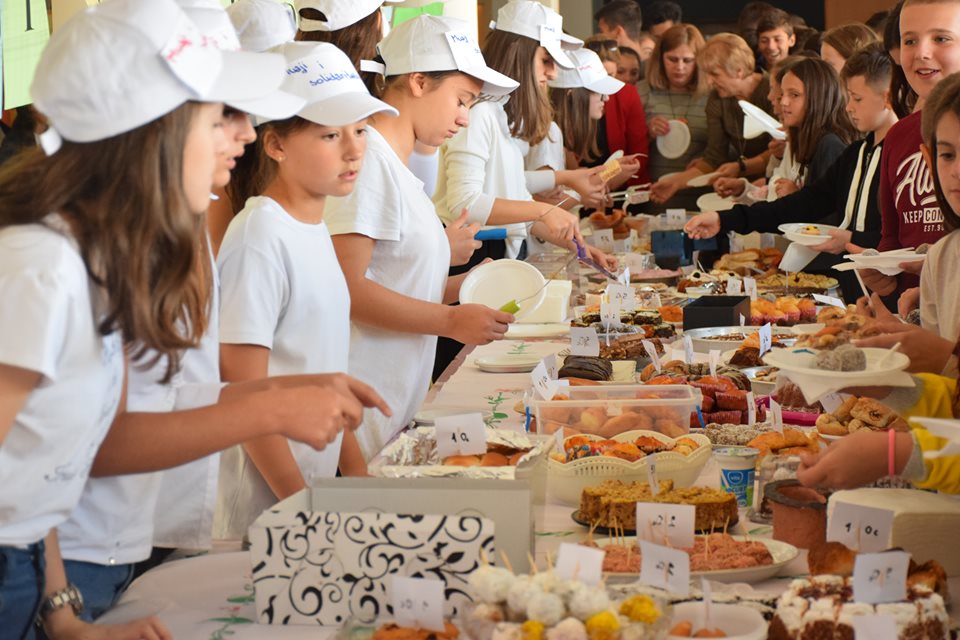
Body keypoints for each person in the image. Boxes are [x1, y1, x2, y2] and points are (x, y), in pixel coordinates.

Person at [0, 0, 370, 636]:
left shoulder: (98, 253)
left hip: (40, 573)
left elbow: (49, 467)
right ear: (156, 128)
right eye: (219, 116)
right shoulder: (42, 263)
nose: (248, 135)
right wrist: (269, 409)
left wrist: (64, 619)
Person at [214, 41, 398, 538]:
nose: (355, 149)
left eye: (361, 130)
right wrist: (303, 510)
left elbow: (328, 375)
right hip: (260, 516)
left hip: (308, 500)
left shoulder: (313, 227)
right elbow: (242, 393)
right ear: (274, 144)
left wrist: (361, 484)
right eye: (330, 134)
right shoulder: (259, 236)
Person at [324, 16, 518, 461]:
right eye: (461, 100)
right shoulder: (369, 161)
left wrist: (463, 289)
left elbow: (394, 279)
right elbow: (347, 291)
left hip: (389, 405)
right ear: (417, 82)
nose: (464, 119)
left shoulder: (397, 167)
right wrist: (450, 320)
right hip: (357, 413)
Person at [685, 44, 898, 303]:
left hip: (894, 294)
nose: (849, 107)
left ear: (887, 97)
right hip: (855, 294)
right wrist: (724, 220)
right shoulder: (856, 153)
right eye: (849, 96)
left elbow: (905, 238)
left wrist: (851, 239)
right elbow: (802, 204)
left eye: (857, 98)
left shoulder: (901, 155)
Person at [853, 0, 960, 304]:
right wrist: (884, 277)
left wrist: (940, 269)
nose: (922, 52)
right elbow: (892, 237)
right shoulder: (899, 134)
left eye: (941, 38)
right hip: (913, 316)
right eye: (910, 40)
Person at [650, 33, 774, 205]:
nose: (709, 82)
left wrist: (741, 167)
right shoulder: (717, 99)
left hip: (773, 184)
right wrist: (675, 183)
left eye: (714, 74)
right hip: (742, 191)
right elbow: (713, 158)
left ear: (738, 70)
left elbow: (780, 149)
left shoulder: (773, 91)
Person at [713, 57, 856, 202]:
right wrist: (745, 190)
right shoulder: (799, 137)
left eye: (794, 95)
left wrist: (796, 198)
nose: (783, 102)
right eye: (782, 93)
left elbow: (827, 216)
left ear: (818, 97)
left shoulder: (829, 145)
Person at [638, 24, 708, 193]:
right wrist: (647, 132)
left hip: (700, 193)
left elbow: (727, 147)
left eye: (688, 60)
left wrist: (707, 160)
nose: (680, 67)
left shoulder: (712, 94)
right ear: (660, 58)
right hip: (653, 192)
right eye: (672, 59)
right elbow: (625, 149)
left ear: (699, 60)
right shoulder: (642, 91)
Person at [583, 37, 651, 187]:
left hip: (621, 188)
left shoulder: (627, 94)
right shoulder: (572, 98)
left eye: (611, 76)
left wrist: (604, 182)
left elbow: (638, 156)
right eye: (599, 77)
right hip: (578, 187)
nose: (605, 91)